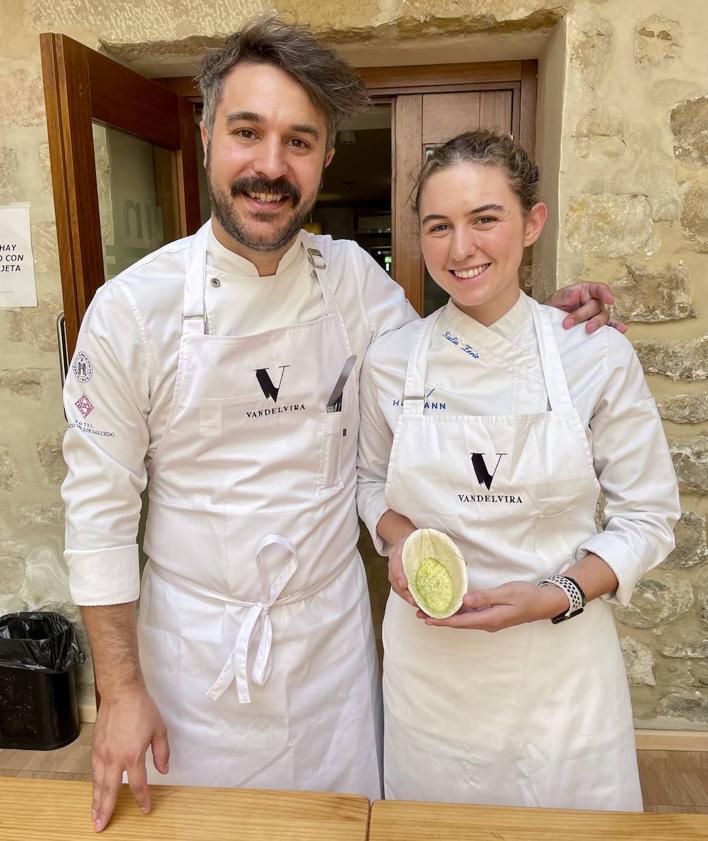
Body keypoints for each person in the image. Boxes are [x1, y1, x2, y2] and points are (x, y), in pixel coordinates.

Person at [61, 19, 619, 833]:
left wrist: (551, 318)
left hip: (331, 645)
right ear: (207, 133)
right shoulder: (130, 312)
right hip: (195, 651)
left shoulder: (354, 283)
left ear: (325, 157)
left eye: (299, 140)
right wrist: (121, 689)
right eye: (248, 132)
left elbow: (458, 349)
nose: (270, 166)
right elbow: (98, 516)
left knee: (341, 822)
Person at [357, 130, 680, 812]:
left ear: (532, 222)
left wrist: (555, 594)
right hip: (431, 666)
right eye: (438, 226)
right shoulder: (390, 360)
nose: (461, 248)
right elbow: (367, 483)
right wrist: (401, 536)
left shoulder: (594, 357)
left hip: (559, 666)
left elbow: (649, 516)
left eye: (485, 219)